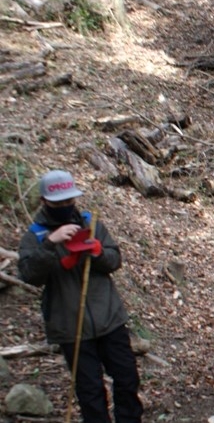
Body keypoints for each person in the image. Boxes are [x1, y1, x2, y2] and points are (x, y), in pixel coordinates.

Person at [18, 170, 144, 422]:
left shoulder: (91, 223)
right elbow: (29, 274)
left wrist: (96, 252)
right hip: (70, 325)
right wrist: (50, 245)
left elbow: (114, 260)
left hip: (109, 317)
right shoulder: (36, 235)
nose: (65, 207)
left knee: (127, 378)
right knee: (90, 392)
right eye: (58, 203)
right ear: (44, 202)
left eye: (69, 201)